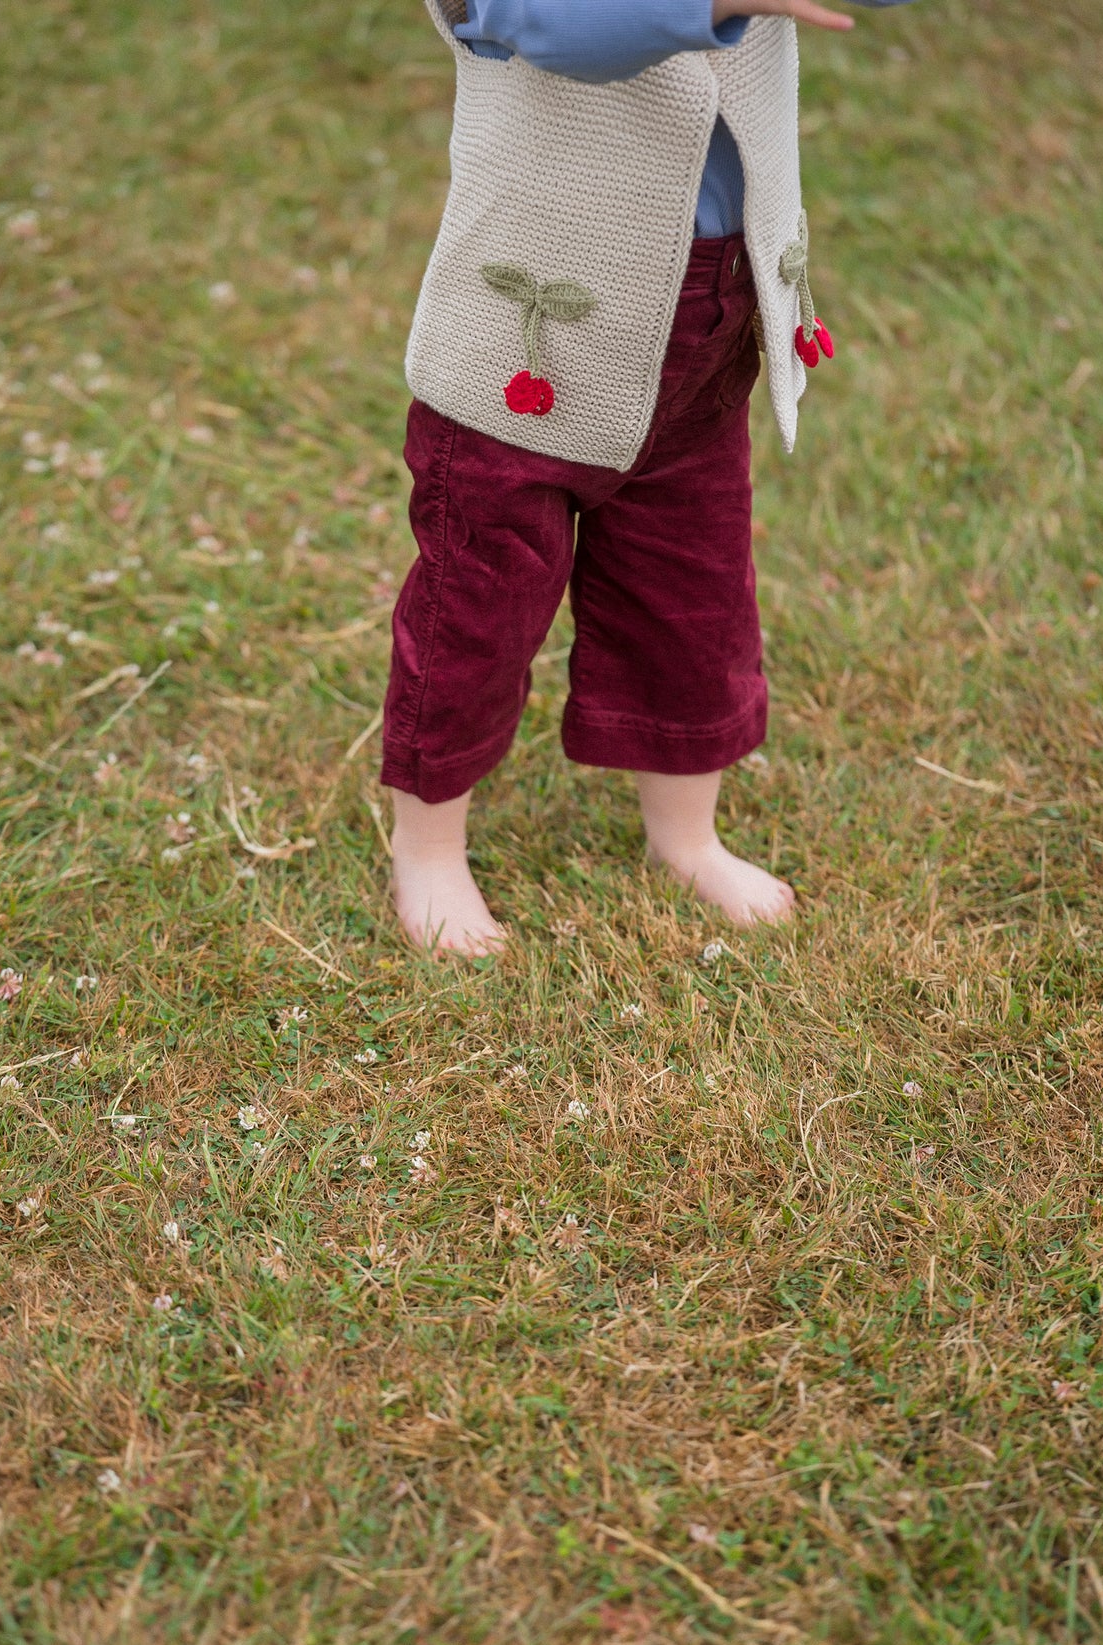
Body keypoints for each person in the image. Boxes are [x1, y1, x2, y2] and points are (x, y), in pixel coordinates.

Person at [382, 0, 914, 954]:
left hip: (705, 319)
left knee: (690, 591)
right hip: (528, 355)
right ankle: (427, 846)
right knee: (478, 602)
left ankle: (686, 835)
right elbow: (557, 25)